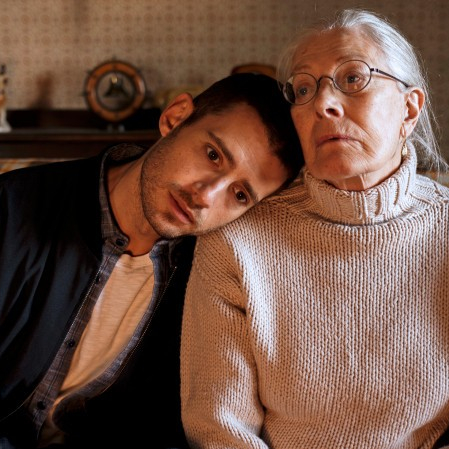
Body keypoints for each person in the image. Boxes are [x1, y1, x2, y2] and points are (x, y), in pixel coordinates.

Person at [180, 8, 449, 449]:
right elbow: (219, 428)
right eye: (303, 89)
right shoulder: (238, 239)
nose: (322, 104)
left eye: (352, 78)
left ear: (409, 109)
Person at [0, 72, 303, 449]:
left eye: (240, 194)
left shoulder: (212, 279)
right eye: (212, 155)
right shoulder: (11, 210)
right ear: (175, 117)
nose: (206, 196)